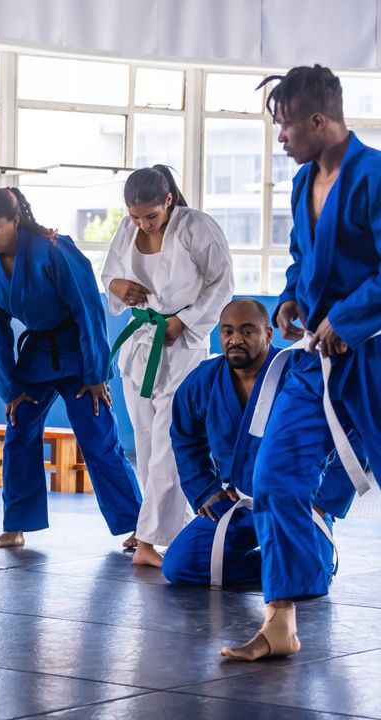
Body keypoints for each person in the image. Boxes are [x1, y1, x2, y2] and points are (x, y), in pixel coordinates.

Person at [223, 65, 381, 661]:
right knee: (272, 479)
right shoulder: (302, 183)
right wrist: (291, 298)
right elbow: (302, 258)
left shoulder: (375, 174)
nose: (280, 139)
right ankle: (280, 622)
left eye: (286, 126)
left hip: (372, 354)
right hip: (316, 360)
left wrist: (350, 317)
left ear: (319, 120)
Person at [0, 187, 142, 549]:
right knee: (18, 431)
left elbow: (88, 309)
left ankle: (137, 527)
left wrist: (97, 374)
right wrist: (10, 387)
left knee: (97, 436)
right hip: (36, 355)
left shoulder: (54, 248)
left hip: (76, 352)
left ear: (15, 222)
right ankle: (15, 526)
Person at [162, 299, 356, 586]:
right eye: (227, 332)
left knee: (314, 576)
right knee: (179, 566)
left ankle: (299, 567)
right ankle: (286, 568)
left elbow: (353, 434)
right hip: (239, 503)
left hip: (298, 503)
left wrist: (326, 501)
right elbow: (185, 435)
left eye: (247, 331)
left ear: (267, 334)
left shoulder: (300, 373)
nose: (235, 340)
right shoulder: (204, 379)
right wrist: (205, 489)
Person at [102, 165, 234, 568]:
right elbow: (109, 274)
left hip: (181, 347)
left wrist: (186, 320)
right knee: (144, 441)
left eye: (151, 216)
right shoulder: (127, 231)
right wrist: (117, 287)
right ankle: (164, 530)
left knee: (169, 443)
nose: (142, 223)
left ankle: (147, 542)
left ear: (169, 201)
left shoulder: (197, 228)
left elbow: (223, 283)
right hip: (139, 345)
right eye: (135, 216)